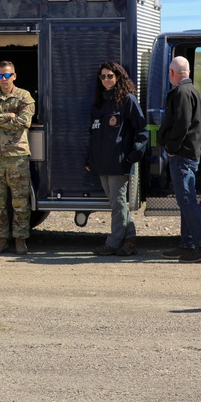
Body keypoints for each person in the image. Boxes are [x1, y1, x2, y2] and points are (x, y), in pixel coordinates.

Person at [84, 61, 149, 256]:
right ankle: (129, 241)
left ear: (118, 77)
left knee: (118, 203)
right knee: (116, 203)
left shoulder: (127, 100)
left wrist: (131, 157)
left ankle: (113, 242)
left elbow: (142, 131)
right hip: (101, 164)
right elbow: (93, 134)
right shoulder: (100, 103)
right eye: (103, 77)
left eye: (110, 76)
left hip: (119, 164)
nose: (106, 80)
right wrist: (90, 160)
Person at [157, 56, 201, 263]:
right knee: (185, 200)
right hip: (189, 154)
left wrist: (171, 148)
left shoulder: (181, 92)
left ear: (172, 73)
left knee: (187, 201)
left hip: (182, 155)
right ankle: (187, 244)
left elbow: (182, 123)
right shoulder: (192, 90)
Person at [0, 61, 36, 255]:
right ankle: (1, 240)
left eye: (7, 75)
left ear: (14, 76)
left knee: (20, 201)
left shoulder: (24, 96)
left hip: (17, 157)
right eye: (0, 76)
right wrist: (9, 116)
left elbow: (24, 122)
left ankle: (21, 240)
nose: (4, 79)